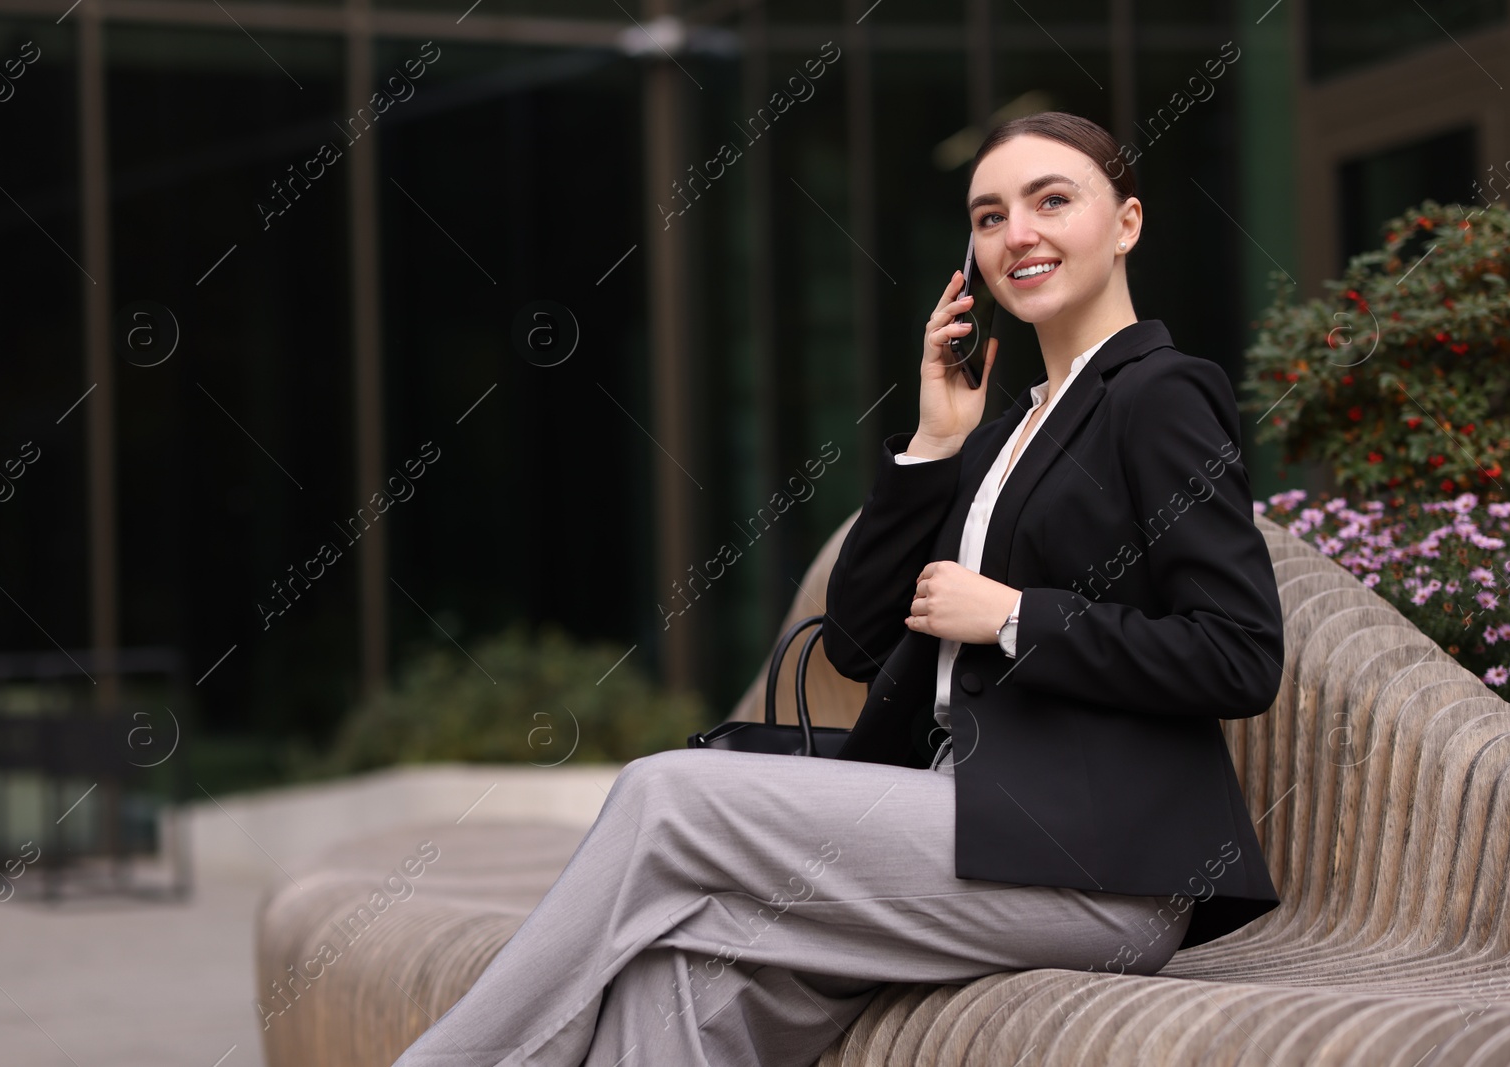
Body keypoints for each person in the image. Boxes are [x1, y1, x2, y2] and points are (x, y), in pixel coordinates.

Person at [390, 110, 1284, 1067]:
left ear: (1127, 223)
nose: (1016, 232)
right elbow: (857, 639)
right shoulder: (1000, 433)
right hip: (948, 833)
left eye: (1051, 200)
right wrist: (936, 442)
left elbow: (1239, 651)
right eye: (988, 216)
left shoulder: (1161, 393)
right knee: (678, 979)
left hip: (1092, 865)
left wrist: (1016, 617)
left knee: (666, 798)